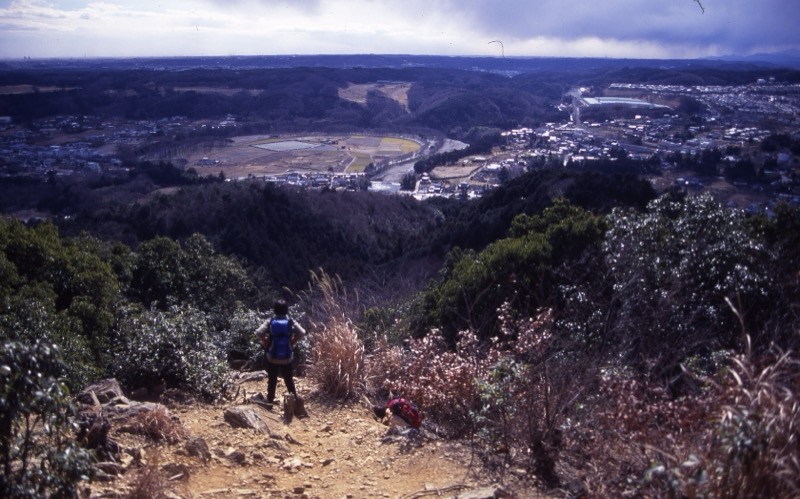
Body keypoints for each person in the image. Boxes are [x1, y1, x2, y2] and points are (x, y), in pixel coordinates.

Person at [255, 299, 306, 404]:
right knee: (288, 379)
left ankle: (269, 400)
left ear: (274, 310)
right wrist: (293, 340)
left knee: (272, 380)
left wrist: (265, 341)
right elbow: (302, 332)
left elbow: (258, 333)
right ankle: (294, 400)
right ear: (287, 310)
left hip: (272, 357)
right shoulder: (290, 321)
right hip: (287, 358)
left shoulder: (270, 321)